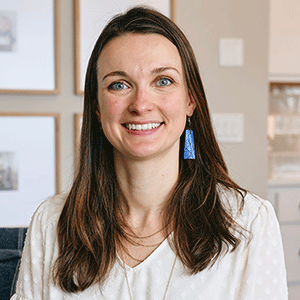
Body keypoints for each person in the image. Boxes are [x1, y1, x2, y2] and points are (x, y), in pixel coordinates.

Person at [11, 6, 288, 300]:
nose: (140, 104)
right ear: (96, 105)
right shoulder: (51, 222)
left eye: (163, 81)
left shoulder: (249, 222)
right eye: (119, 84)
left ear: (190, 100)